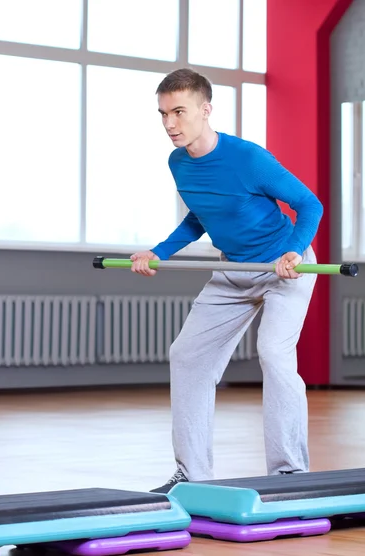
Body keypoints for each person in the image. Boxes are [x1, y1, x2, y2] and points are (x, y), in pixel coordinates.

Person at [130, 68, 323, 492]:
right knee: (187, 356)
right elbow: (201, 216)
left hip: (282, 267)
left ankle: (289, 473)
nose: (169, 124)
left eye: (178, 112)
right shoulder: (178, 162)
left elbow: (309, 204)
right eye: (163, 114)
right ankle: (192, 474)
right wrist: (158, 252)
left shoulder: (249, 159)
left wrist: (293, 250)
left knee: (274, 353)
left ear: (206, 109)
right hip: (233, 270)